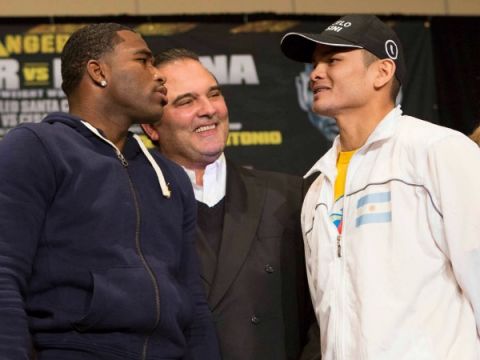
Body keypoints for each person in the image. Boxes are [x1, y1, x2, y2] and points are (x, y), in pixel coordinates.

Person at [0, 23, 220, 359]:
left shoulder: (170, 177)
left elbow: (193, 303)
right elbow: (5, 273)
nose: (158, 74)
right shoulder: (37, 148)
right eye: (143, 61)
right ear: (98, 72)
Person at [280, 14, 480, 359]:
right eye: (314, 63)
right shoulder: (316, 187)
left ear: (382, 72)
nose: (315, 73)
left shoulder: (438, 151)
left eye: (333, 59)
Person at [141, 48, 319, 360]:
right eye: (186, 101)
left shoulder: (290, 196)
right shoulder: (133, 206)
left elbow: (325, 314)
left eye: (214, 94)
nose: (209, 109)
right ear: (151, 127)